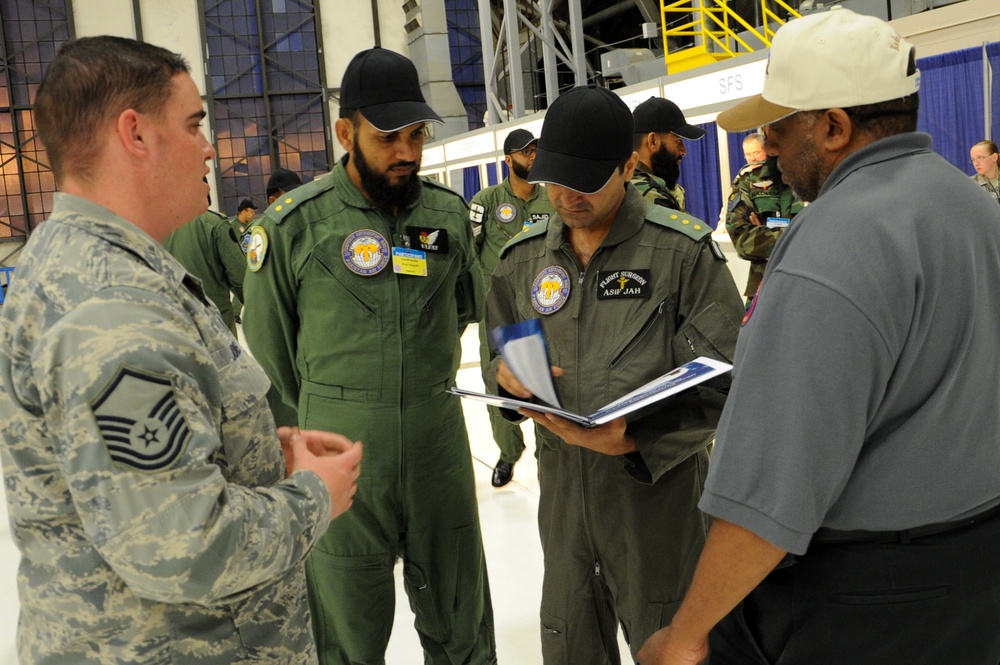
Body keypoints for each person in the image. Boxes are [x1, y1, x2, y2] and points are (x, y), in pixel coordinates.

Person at [638, 8, 1000, 665]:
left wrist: (687, 634)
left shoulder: (832, 241)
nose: (768, 145)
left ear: (833, 126)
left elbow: (770, 492)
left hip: (862, 603)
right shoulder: (974, 209)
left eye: (778, 126)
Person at [0, 35, 362, 665]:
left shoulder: (83, 267)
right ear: (135, 134)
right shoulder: (111, 308)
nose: (206, 149)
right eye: (193, 124)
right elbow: (181, 544)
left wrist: (250, 454)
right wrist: (313, 496)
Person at [242, 46, 496, 665]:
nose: (407, 152)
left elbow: (467, 308)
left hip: (438, 453)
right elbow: (271, 351)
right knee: (347, 638)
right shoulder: (295, 227)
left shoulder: (448, 217)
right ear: (345, 132)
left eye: (417, 135)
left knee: (462, 627)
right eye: (388, 137)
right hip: (340, 460)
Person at [484, 85, 744, 664]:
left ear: (628, 165)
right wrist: (507, 379)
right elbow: (496, 349)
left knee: (670, 642)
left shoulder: (682, 254)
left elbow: (725, 380)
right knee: (572, 640)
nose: (566, 196)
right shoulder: (521, 260)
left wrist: (636, 439)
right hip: (563, 505)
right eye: (555, 179)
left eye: (585, 181)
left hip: (657, 505)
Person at [469, 128, 555, 487]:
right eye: (525, 152)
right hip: (498, 306)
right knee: (497, 378)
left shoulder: (551, 199)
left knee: (548, 378)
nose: (533, 157)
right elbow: (470, 253)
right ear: (508, 160)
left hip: (545, 303)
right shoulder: (486, 200)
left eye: (536, 150)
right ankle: (508, 451)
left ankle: (546, 457)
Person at [724, 150, 804, 302]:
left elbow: (830, 236)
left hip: (811, 292)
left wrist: (765, 235)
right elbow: (741, 239)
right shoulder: (750, 179)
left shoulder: (820, 178)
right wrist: (800, 237)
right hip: (763, 291)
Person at [163, 204, 247, 334]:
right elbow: (240, 276)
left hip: (172, 322)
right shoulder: (213, 223)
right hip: (215, 323)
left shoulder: (155, 225)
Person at [630, 96, 705, 211]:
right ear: (653, 141)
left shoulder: (621, 187)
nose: (683, 151)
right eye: (678, 141)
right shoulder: (650, 197)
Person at [970, 139, 1000, 204]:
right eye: (973, 160)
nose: (976, 163)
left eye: (980, 158)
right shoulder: (971, 184)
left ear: (994, 157)